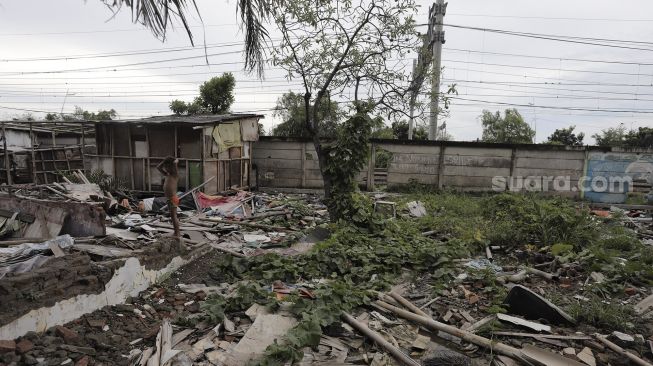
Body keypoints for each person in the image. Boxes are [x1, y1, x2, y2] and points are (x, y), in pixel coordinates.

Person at [157, 156, 180, 237]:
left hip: (173, 198)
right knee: (173, 216)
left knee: (174, 217)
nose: (166, 168)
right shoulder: (167, 174)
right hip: (170, 198)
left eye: (168, 166)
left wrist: (174, 162)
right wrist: (164, 161)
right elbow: (158, 167)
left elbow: (175, 163)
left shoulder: (175, 174)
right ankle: (176, 232)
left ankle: (177, 233)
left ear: (171, 167)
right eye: (165, 167)